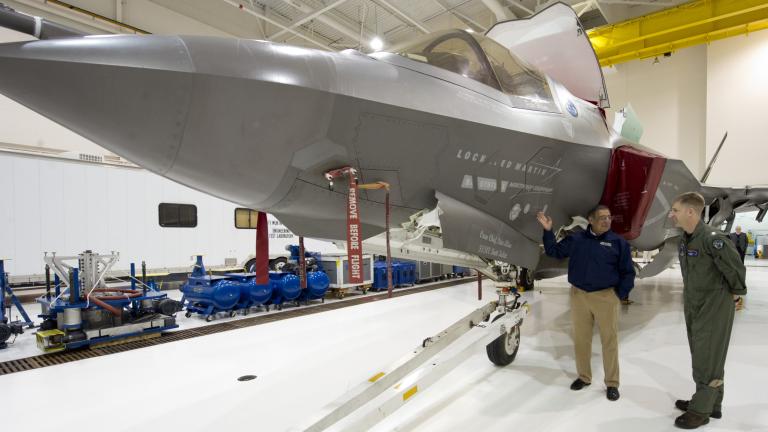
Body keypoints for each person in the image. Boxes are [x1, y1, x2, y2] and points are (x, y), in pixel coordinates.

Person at [537, 205, 635, 401]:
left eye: (609, 217)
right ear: (590, 220)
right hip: (579, 296)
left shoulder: (618, 242)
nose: (607, 221)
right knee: (582, 340)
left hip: (606, 297)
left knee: (609, 341)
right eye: (602, 218)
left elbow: (628, 272)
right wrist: (548, 231)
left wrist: (618, 295)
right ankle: (584, 377)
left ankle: (612, 383)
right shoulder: (576, 239)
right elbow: (553, 251)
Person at [668, 192, 747, 429]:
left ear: (690, 212)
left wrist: (737, 292)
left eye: (675, 210)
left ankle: (700, 411)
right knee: (705, 354)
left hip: (714, 305)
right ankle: (713, 404)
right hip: (695, 303)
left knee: (706, 356)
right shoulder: (686, 239)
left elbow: (735, 268)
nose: (672, 215)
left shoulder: (713, 239)